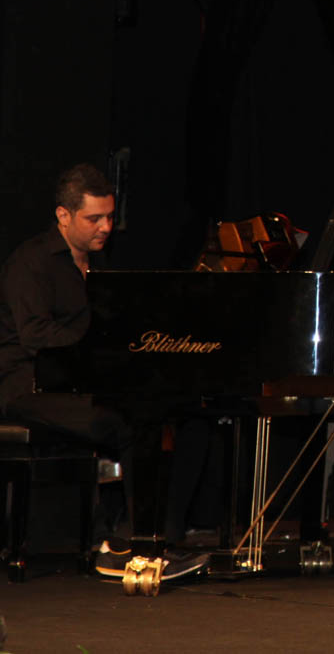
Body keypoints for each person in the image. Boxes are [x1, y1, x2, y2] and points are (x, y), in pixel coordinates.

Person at [0, 164, 207, 577]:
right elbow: (36, 335)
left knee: (182, 413)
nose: (106, 227)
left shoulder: (100, 262)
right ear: (63, 215)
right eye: (94, 218)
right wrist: (100, 350)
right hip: (28, 387)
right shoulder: (32, 261)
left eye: (110, 217)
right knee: (129, 423)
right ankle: (132, 548)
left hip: (77, 382)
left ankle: (138, 538)